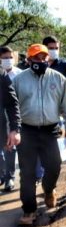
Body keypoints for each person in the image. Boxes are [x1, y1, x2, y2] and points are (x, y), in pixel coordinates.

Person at [13, 44, 66, 226]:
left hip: (50, 131)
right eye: (36, 58)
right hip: (27, 130)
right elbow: (12, 108)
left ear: (48, 59)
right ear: (29, 60)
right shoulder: (19, 80)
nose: (40, 62)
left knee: (54, 166)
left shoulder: (58, 79)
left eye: (44, 58)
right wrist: (12, 130)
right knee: (27, 172)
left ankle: (48, 190)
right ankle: (29, 210)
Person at [0, 46, 22, 191]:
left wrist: (15, 128)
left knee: (8, 148)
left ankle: (9, 178)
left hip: (3, 121)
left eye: (10, 57)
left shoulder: (2, 75)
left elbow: (12, 103)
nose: (8, 60)